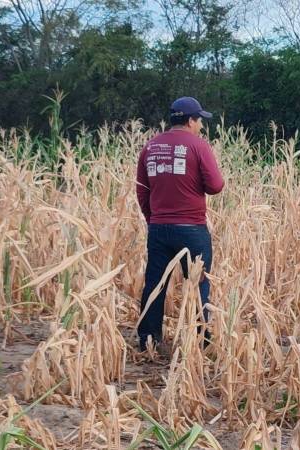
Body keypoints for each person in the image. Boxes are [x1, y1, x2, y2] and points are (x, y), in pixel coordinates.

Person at [135, 96, 225, 352]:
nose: (201, 126)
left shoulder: (150, 147)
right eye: (199, 121)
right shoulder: (198, 146)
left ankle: (148, 341)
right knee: (198, 284)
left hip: (159, 229)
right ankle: (200, 342)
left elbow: (142, 190)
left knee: (155, 284)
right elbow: (216, 186)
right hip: (192, 230)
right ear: (190, 120)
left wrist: (152, 219)